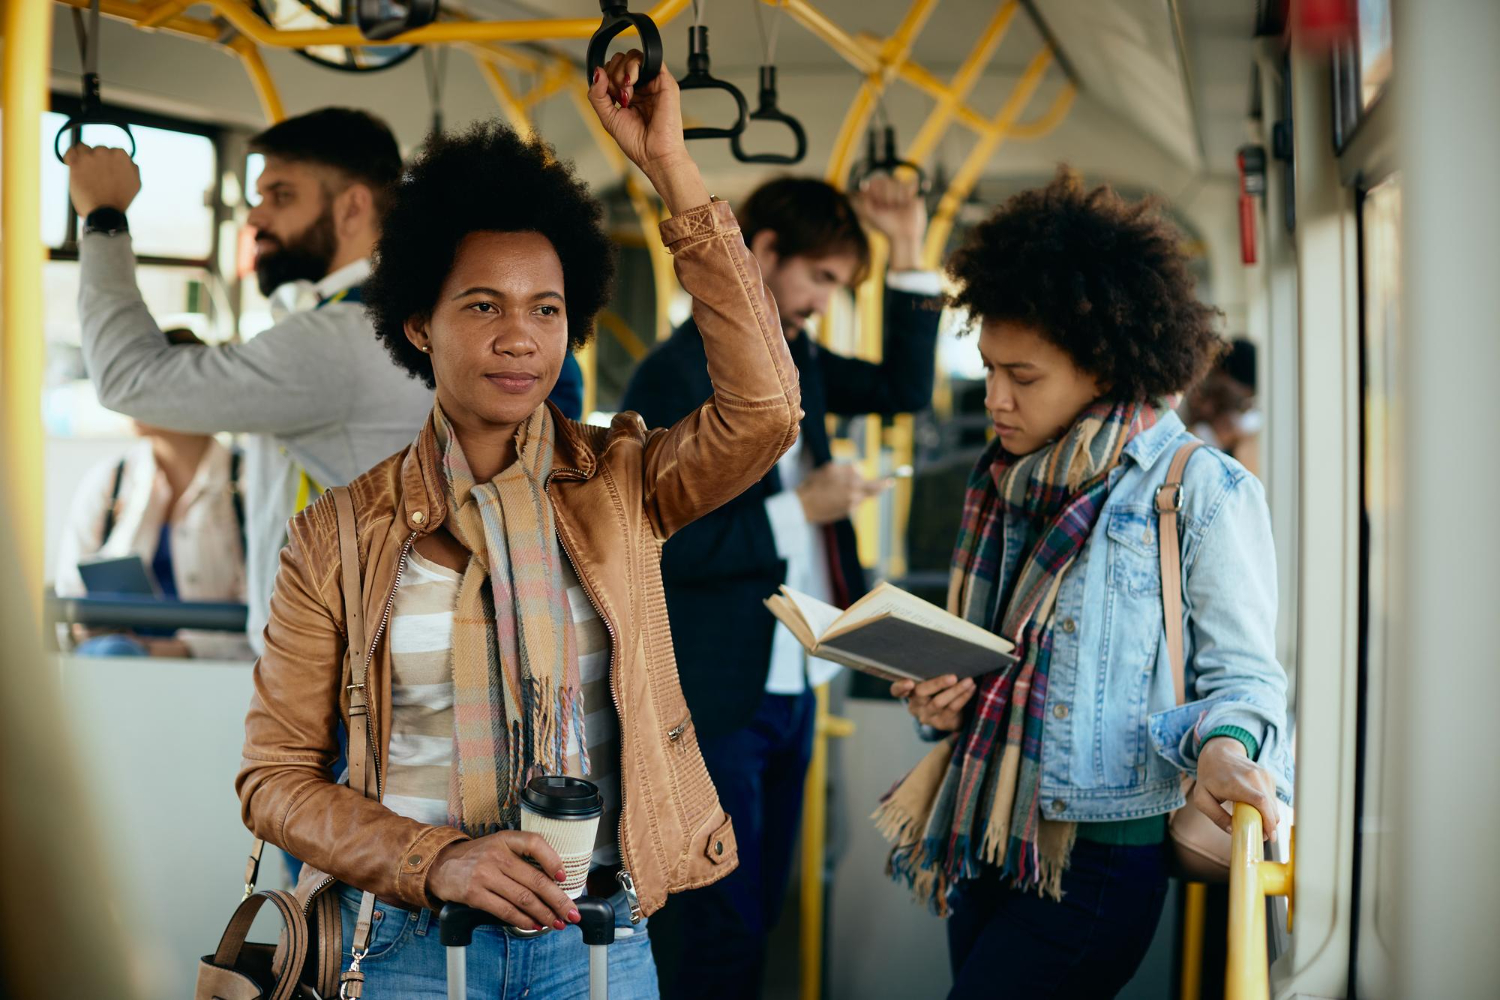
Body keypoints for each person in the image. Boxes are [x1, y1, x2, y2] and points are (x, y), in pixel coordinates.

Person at [236, 52, 801, 1000]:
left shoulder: (622, 484)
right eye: (483, 306)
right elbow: (275, 778)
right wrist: (436, 860)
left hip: (598, 938)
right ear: (419, 323)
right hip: (405, 943)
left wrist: (674, 170)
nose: (519, 337)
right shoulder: (338, 534)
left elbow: (764, 413)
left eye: (546, 309)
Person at [877, 170, 1293, 998]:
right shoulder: (1001, 479)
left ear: (1103, 366)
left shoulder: (1200, 490)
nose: (994, 398)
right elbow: (995, 662)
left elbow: (1246, 679)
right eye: (989, 368)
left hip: (1099, 855)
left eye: (1022, 378)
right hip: (989, 832)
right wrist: (944, 699)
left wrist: (1222, 749)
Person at [620, 173, 940, 998]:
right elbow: (664, 546)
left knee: (760, 910)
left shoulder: (798, 361)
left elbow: (904, 389)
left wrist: (909, 248)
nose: (824, 305)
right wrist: (802, 508)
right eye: (821, 279)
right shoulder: (669, 380)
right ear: (763, 255)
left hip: (798, 677)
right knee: (715, 920)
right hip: (712, 692)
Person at [64, 107, 433, 656]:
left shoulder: (336, 339)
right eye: (258, 197)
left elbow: (129, 379)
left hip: (339, 677)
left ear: (354, 207)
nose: (256, 219)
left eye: (281, 196)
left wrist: (103, 217)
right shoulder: (387, 322)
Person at [54, 330, 250, 660]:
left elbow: (276, 616)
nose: (130, 390)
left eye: (147, 376)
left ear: (195, 392)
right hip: (120, 663)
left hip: (215, 675)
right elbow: (70, 599)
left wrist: (172, 651)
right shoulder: (110, 481)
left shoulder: (247, 485)